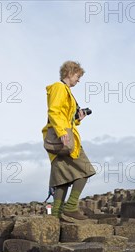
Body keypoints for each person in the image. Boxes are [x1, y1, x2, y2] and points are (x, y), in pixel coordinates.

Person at [42, 61, 96, 220]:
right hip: (64, 139)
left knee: (62, 179)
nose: (78, 80)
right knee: (86, 170)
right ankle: (71, 206)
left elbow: (65, 117)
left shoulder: (65, 91)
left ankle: (56, 215)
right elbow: (54, 111)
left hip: (60, 138)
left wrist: (78, 119)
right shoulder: (59, 88)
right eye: (78, 76)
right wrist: (61, 132)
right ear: (70, 73)